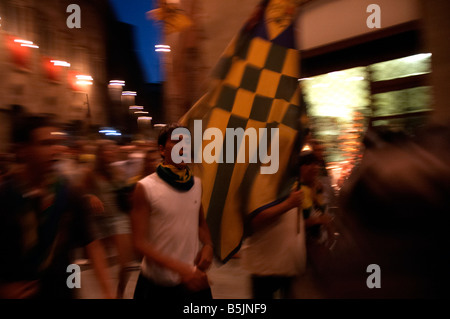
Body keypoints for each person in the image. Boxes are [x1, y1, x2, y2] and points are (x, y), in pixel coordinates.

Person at [0, 115, 114, 299]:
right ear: (22, 150)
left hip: (63, 290)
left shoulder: (68, 192)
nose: (54, 150)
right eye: (45, 144)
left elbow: (91, 243)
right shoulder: (6, 195)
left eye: (55, 143)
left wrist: (108, 291)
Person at [130, 123, 214, 300]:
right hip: (156, 287)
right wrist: (181, 269)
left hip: (191, 282)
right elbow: (139, 243)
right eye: (176, 142)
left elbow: (200, 223)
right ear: (162, 150)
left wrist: (207, 245)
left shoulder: (196, 184)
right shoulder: (145, 187)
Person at [82, 140, 137, 299]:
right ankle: (108, 292)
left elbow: (124, 194)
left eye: (112, 150)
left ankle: (119, 292)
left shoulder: (117, 172)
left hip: (118, 217)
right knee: (101, 260)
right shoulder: (90, 173)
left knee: (126, 263)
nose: (110, 153)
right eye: (106, 151)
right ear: (100, 154)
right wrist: (91, 196)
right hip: (99, 220)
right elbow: (80, 194)